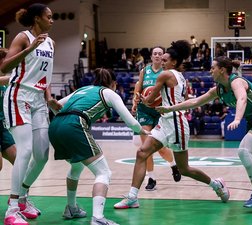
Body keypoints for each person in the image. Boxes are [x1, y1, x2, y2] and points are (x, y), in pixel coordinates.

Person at [114, 40, 229, 210]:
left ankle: (216, 184)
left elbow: (151, 100)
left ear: (173, 62)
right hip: (165, 121)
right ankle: (132, 197)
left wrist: (143, 99)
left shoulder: (165, 75)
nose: (162, 62)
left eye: (165, 59)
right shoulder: (180, 76)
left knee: (184, 169)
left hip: (177, 124)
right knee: (141, 153)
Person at [157, 56, 252, 208]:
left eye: (213, 68)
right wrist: (170, 108)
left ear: (222, 70)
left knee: (243, 150)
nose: (210, 71)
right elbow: (195, 101)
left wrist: (237, 119)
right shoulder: (219, 89)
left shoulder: (236, 81)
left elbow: (242, 98)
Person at [49, 68, 149, 225]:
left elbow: (55, 105)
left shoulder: (82, 89)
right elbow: (130, 122)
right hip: (74, 125)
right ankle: (98, 218)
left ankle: (71, 208)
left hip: (55, 126)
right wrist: (143, 131)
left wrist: (62, 122)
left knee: (76, 166)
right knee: (104, 172)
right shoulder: (109, 93)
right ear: (114, 83)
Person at [0, 4, 62, 225]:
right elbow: (5, 67)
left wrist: (49, 98)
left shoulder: (51, 43)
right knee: (24, 152)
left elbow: (45, 75)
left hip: (38, 101)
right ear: (37, 19)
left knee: (43, 154)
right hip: (18, 97)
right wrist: (28, 49)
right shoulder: (23, 37)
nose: (52, 20)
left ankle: (23, 198)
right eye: (49, 17)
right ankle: (12, 209)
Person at [131, 46, 181, 191]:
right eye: (155, 54)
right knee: (145, 146)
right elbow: (138, 87)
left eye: (160, 54)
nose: (158, 56)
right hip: (144, 111)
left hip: (160, 111)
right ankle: (151, 178)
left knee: (161, 148)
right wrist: (135, 100)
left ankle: (173, 165)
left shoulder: (167, 73)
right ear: (151, 57)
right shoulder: (144, 71)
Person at [0, 49, 16, 172]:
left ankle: (21, 191)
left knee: (18, 159)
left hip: (3, 126)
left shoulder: (5, 82)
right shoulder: (6, 80)